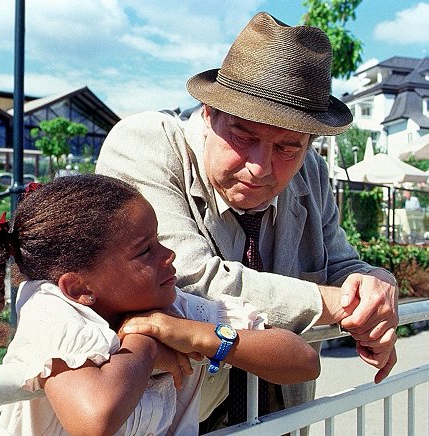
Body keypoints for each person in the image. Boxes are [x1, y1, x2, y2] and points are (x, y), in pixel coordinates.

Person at [95, 11, 398, 428]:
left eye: (287, 147)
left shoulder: (311, 172)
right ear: (208, 111)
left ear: (309, 143)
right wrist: (337, 302)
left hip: (281, 419)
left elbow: (341, 264)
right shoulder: (146, 143)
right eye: (243, 136)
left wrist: (378, 287)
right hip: (172, 422)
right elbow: (189, 280)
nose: (260, 167)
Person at [0, 175, 319, 435]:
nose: (169, 255)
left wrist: (197, 335)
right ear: (79, 287)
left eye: (158, 240)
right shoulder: (49, 306)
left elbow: (303, 361)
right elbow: (94, 420)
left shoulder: (175, 308)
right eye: (145, 250)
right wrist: (146, 342)